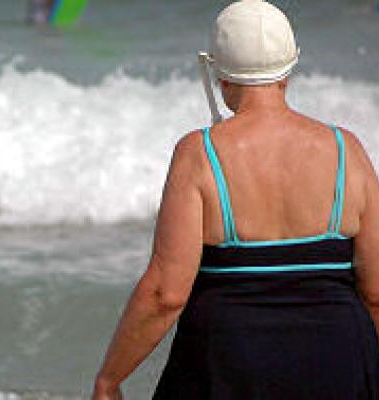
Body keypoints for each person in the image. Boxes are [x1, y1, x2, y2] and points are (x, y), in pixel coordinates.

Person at [93, 1, 379, 399]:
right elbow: (376, 291)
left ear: (219, 75)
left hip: (227, 361)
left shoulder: (200, 153)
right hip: (338, 359)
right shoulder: (347, 149)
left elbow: (165, 294)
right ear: (288, 69)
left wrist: (110, 379)